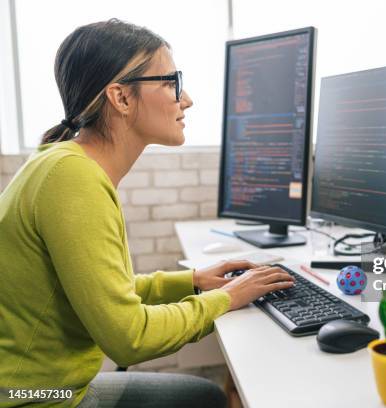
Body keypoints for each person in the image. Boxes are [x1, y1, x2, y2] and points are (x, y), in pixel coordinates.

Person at [0, 19, 295, 408]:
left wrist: (192, 281)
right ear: (120, 98)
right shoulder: (73, 180)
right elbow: (129, 338)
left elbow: (103, 291)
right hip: (34, 400)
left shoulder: (64, 164)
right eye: (171, 82)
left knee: (204, 396)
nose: (185, 98)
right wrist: (227, 298)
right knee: (205, 399)